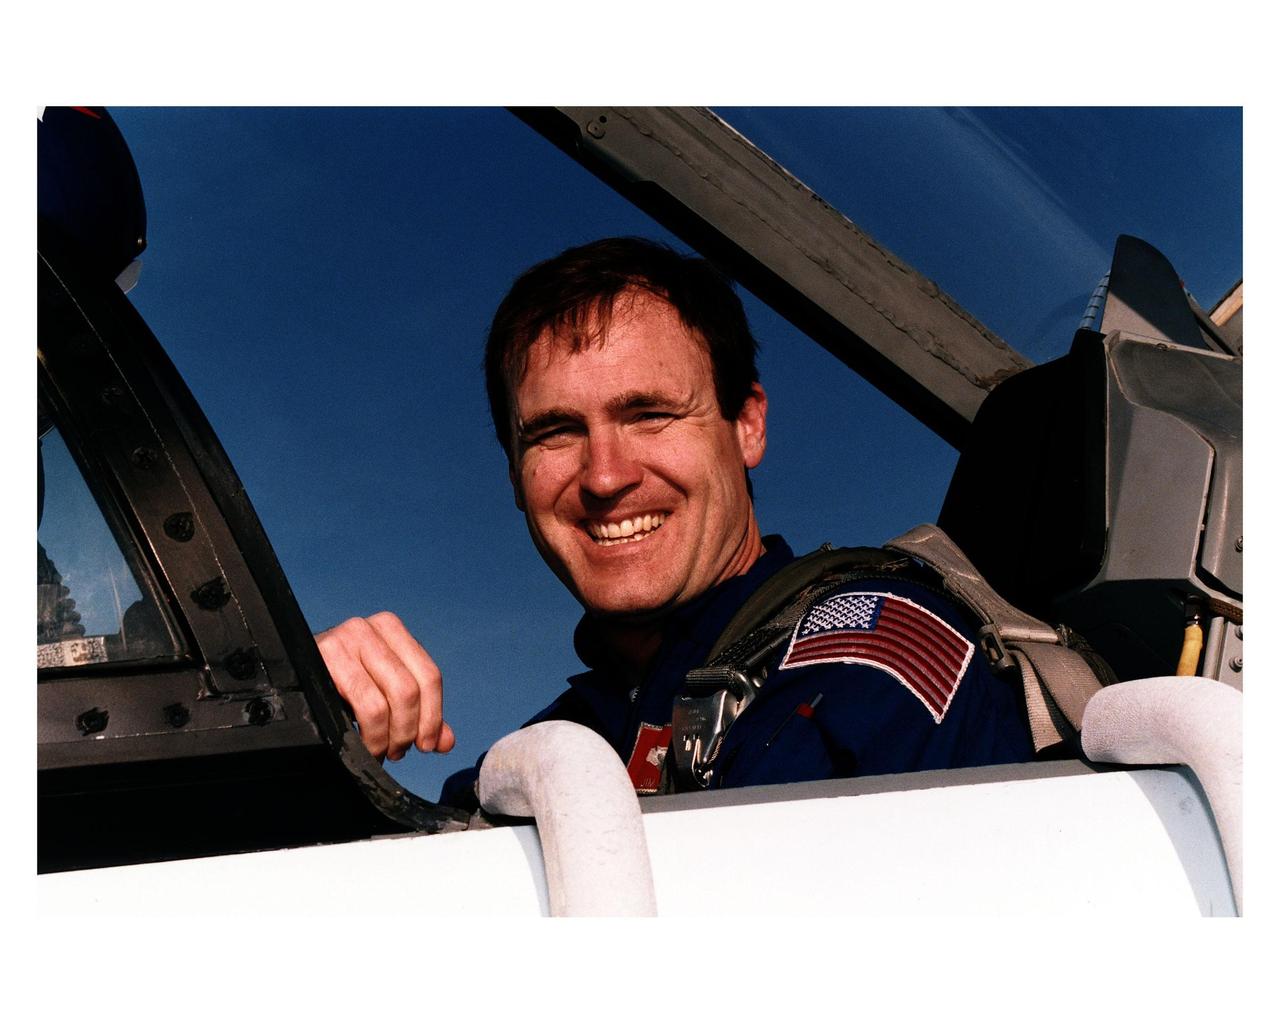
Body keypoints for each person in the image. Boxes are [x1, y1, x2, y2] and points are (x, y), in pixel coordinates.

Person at [316, 237, 1033, 811]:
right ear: (514, 475)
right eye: (556, 433)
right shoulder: (564, 746)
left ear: (746, 425)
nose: (604, 477)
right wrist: (306, 720)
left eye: (649, 415)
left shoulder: (868, 659)